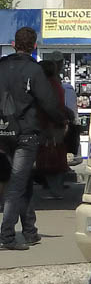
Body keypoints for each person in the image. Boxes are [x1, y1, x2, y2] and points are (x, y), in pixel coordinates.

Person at [0, 28, 66, 250]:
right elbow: (48, 102)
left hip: (4, 132)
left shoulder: (1, 67)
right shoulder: (34, 70)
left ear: (12, 43)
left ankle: (30, 231)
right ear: (35, 46)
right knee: (17, 184)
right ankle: (7, 235)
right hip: (26, 134)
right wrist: (61, 120)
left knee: (23, 179)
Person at [37, 60, 73, 200]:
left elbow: (48, 106)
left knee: (50, 155)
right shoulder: (56, 84)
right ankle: (56, 188)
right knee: (56, 153)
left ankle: (55, 190)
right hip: (56, 122)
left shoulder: (46, 85)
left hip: (50, 123)